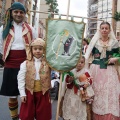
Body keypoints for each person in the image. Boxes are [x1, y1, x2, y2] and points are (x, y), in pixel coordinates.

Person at [0, 2, 36, 120]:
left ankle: (25, 116)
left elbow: (35, 45)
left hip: (26, 64)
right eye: (16, 12)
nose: (18, 14)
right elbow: (1, 46)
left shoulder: (31, 29)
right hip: (10, 63)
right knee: (12, 95)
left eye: (21, 12)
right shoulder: (3, 29)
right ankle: (14, 117)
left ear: (24, 14)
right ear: (11, 13)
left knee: (26, 94)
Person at [85, 21, 120, 120]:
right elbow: (86, 57)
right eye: (102, 28)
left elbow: (119, 55)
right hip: (96, 70)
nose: (104, 30)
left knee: (110, 92)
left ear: (109, 30)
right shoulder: (94, 42)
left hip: (110, 70)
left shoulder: (114, 42)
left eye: (106, 28)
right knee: (96, 92)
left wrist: (116, 59)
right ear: (99, 30)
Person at [17, 38, 51, 120]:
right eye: (35, 49)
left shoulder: (48, 63)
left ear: (44, 50)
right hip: (29, 92)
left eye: (40, 49)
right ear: (31, 50)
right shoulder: (25, 63)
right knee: (27, 115)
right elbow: (21, 78)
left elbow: (56, 72)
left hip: (43, 92)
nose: (38, 51)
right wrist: (22, 93)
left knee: (43, 115)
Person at [60, 56, 94, 120]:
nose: (80, 64)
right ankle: (70, 117)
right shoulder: (71, 71)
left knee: (79, 106)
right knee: (70, 104)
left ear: (84, 63)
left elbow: (90, 80)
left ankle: (78, 117)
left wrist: (87, 84)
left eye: (82, 62)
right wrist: (70, 80)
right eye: (78, 62)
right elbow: (67, 80)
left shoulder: (85, 72)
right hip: (71, 91)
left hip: (80, 93)